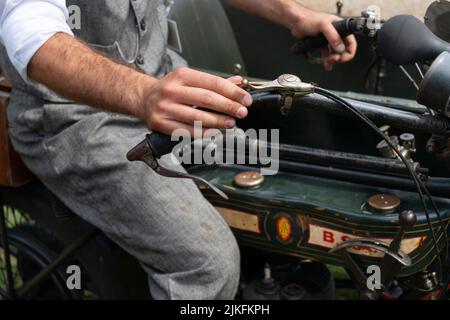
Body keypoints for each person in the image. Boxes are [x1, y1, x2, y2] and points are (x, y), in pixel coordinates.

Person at [0, 0, 357, 299]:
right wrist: (142, 94)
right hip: (73, 119)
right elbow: (31, 34)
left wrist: (295, 16)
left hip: (165, 92)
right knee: (205, 266)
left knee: (283, 176)